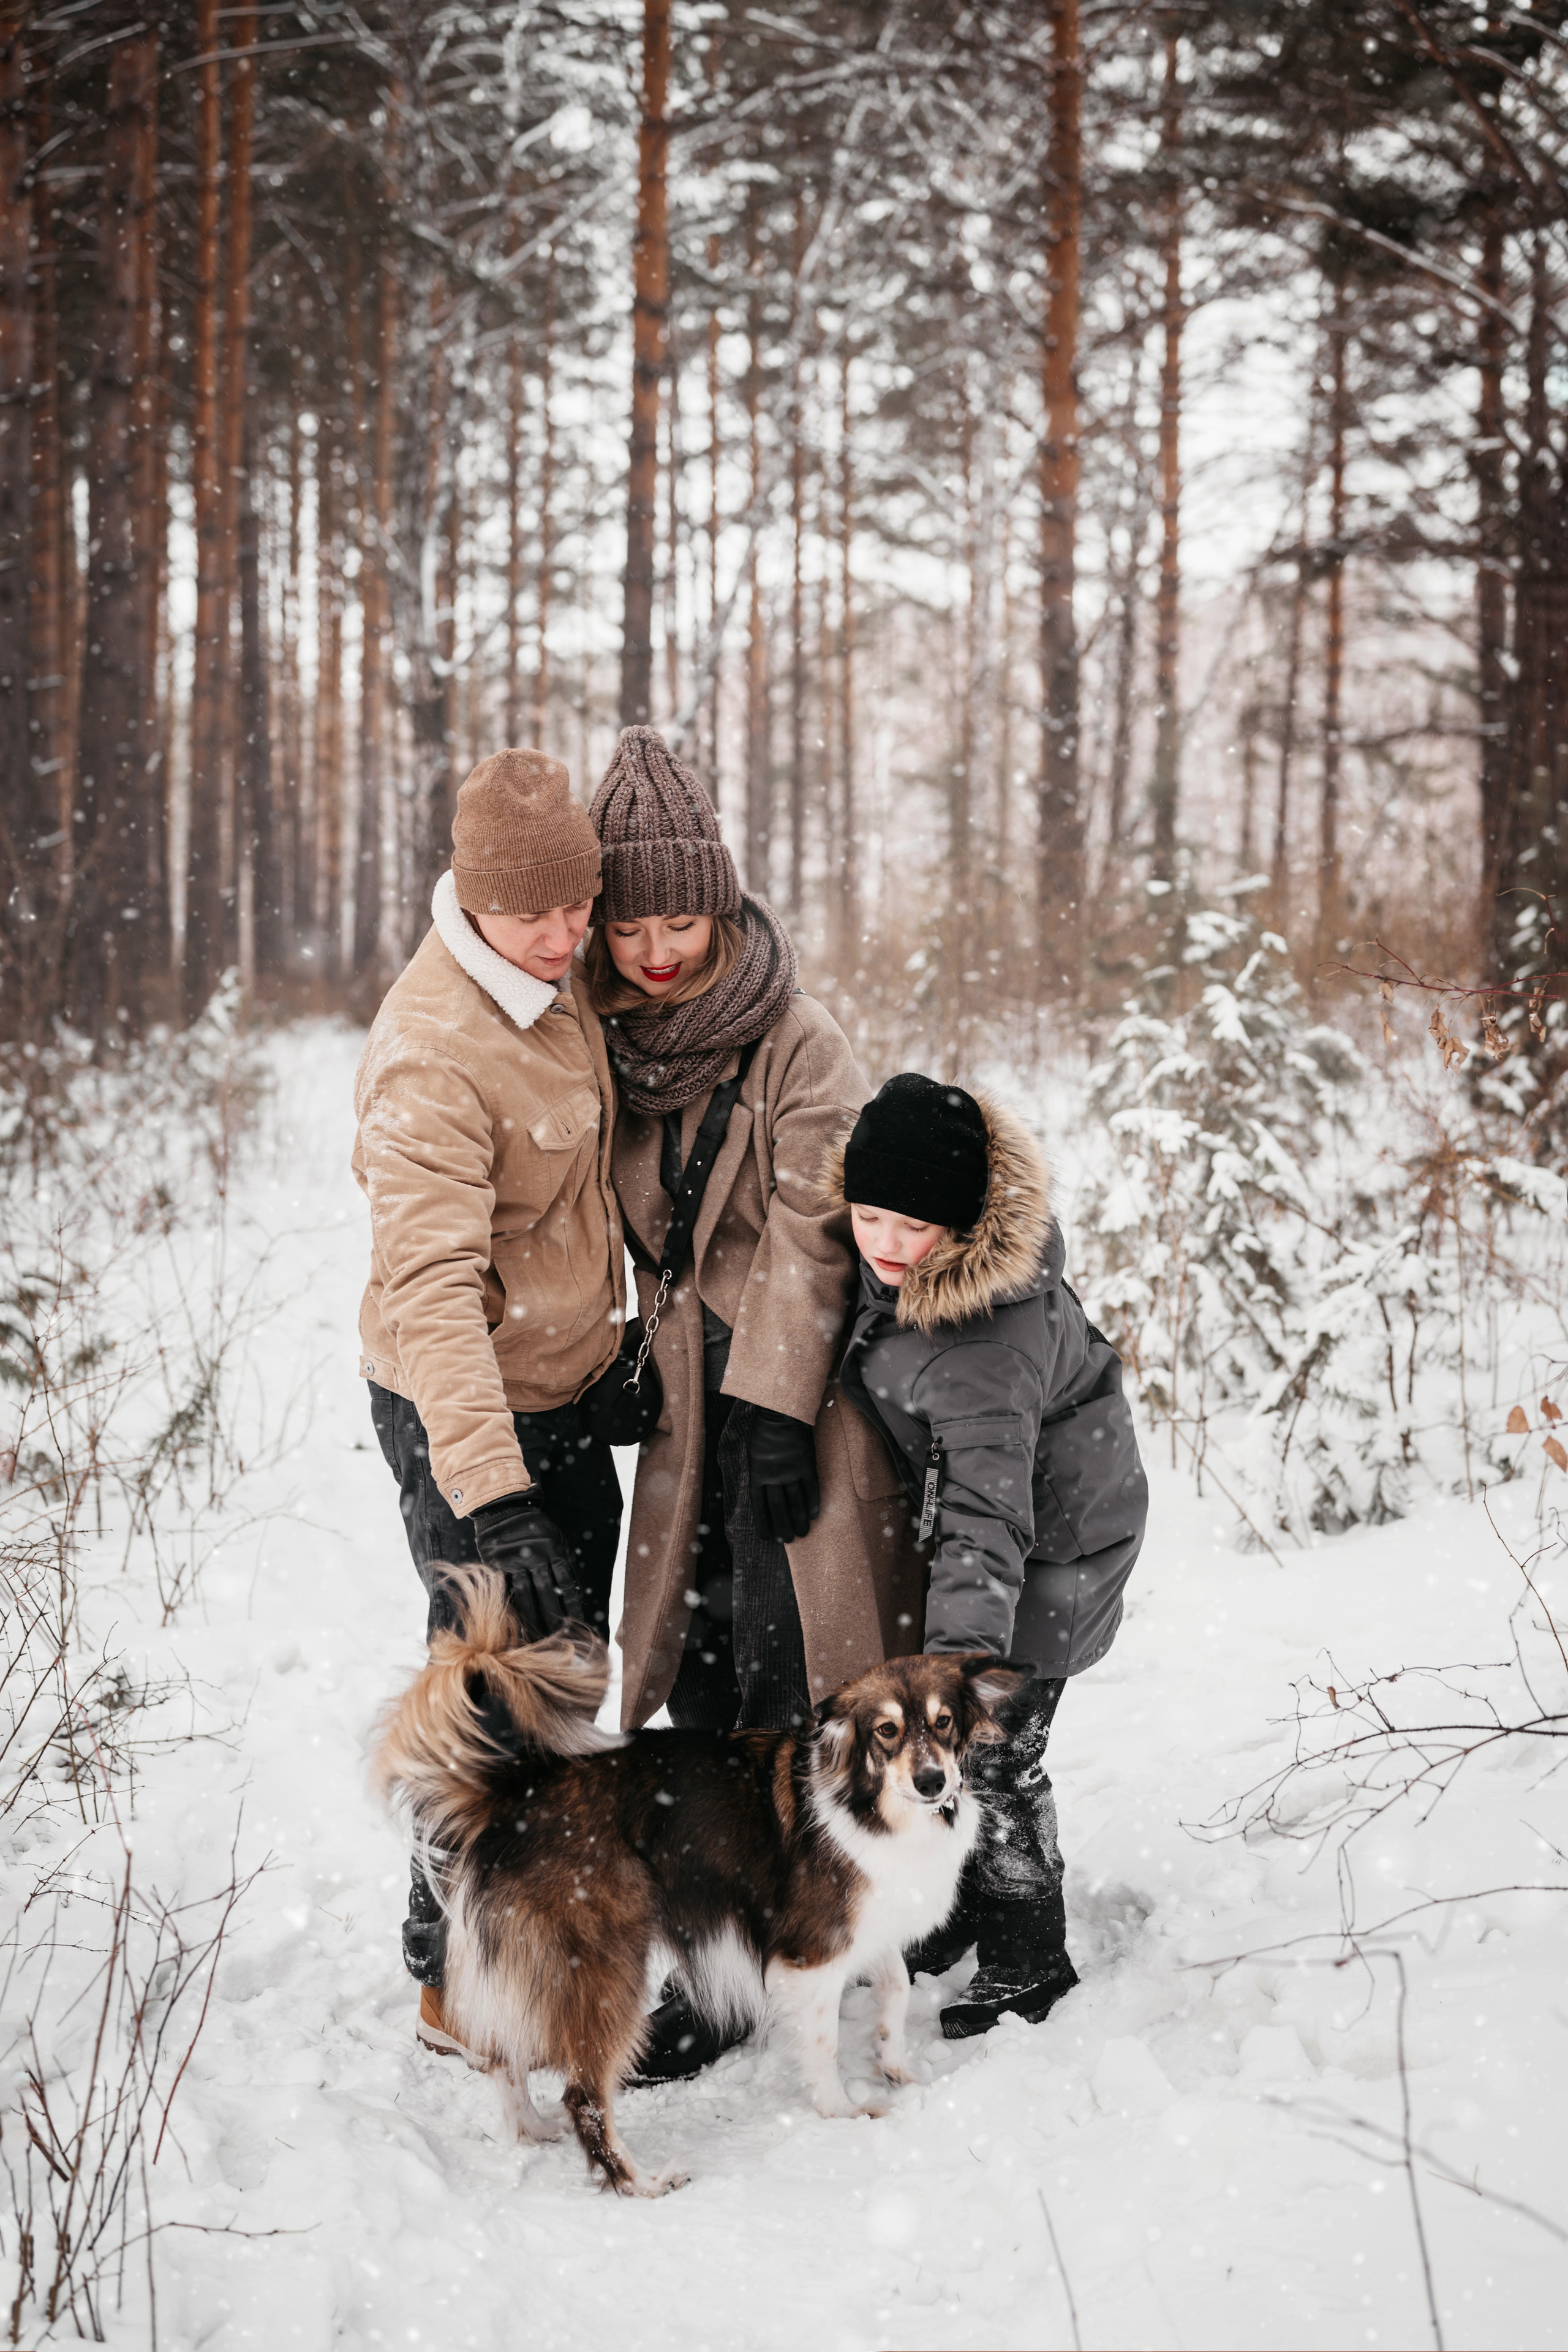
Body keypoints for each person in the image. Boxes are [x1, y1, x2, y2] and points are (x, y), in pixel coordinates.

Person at [584, 729, 923, 2076]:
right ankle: (720, 1963)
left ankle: (845, 1930)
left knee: (807, 1681)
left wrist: (775, 1405)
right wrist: (610, 1342)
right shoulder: (601, 1037)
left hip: (798, 1402)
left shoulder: (796, 1036)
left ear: (719, 903)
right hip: (683, 1401)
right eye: (629, 923)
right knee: (698, 1691)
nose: (657, 950)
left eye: (680, 917)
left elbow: (813, 1223)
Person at [352, 747, 626, 2058]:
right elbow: (429, 1296)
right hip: (461, 1410)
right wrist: (494, 1494)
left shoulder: (555, 988)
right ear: (472, 896)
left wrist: (612, 1343)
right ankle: (446, 1975)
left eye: (579, 907)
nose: (568, 935)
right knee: (488, 1698)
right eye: (536, 914)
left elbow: (570, 1198)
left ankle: (533, 1927)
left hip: (561, 1389)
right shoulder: (431, 1053)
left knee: (571, 1676)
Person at [826, 1071, 1148, 2040]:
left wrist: (962, 1675)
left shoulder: (983, 1343)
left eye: (911, 1228)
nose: (883, 1243)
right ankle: (963, 1909)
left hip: (1055, 1553)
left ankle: (1031, 1953)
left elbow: (985, 1513)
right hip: (1028, 1526)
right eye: (868, 1215)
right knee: (971, 1759)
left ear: (964, 1227)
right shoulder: (914, 1276)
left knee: (995, 1755)